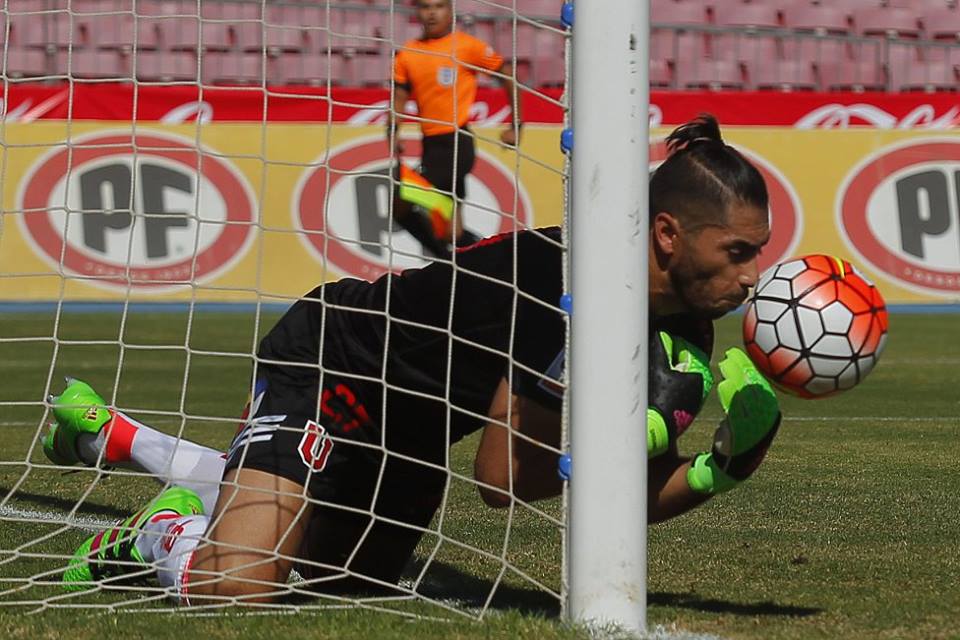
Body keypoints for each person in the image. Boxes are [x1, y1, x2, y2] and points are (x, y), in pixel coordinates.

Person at [43, 115, 781, 604]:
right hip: (335, 366)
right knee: (240, 586)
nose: (750, 276)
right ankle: (159, 533)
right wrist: (617, 446)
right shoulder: (568, 291)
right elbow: (502, 480)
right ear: (667, 235)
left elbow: (625, 500)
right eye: (737, 252)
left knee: (342, 590)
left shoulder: (686, 319)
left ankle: (123, 440)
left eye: (759, 255)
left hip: (413, 433)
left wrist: (722, 467)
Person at [387, 0, 522, 258]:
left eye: (439, 6)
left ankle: (448, 262)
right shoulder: (408, 53)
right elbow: (399, 97)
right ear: (418, 12)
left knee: (401, 203)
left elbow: (508, 76)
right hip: (431, 145)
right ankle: (484, 258)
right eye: (426, 7)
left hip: (457, 142)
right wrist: (394, 131)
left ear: (451, 11)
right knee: (453, 232)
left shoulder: (467, 46)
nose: (432, 13)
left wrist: (516, 124)